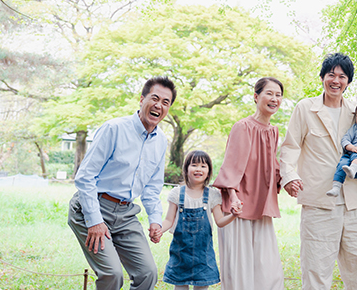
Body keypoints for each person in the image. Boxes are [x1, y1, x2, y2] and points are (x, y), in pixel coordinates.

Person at [279, 52, 357, 290]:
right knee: (316, 271)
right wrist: (289, 176)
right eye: (331, 75)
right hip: (319, 202)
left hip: (354, 203)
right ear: (322, 77)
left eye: (342, 76)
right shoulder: (305, 108)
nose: (336, 80)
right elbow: (290, 147)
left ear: (348, 82)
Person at [67, 76, 176, 290]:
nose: (158, 105)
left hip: (125, 214)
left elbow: (152, 188)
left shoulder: (161, 141)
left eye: (165, 102)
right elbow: (86, 176)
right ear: (142, 99)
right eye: (154, 98)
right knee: (112, 274)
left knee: (147, 273)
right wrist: (95, 221)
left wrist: (155, 220)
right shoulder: (114, 129)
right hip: (92, 206)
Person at [211, 76, 286, 290]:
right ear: (256, 96)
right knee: (239, 272)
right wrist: (234, 199)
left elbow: (272, 166)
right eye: (269, 93)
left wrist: (291, 179)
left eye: (278, 95)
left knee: (268, 271)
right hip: (238, 208)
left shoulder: (273, 131)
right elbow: (231, 165)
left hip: (261, 207)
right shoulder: (243, 127)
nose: (274, 99)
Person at [158, 150, 241, 290]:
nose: (198, 169)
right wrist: (158, 229)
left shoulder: (213, 195)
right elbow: (168, 220)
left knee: (202, 287)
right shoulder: (177, 193)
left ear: (208, 172)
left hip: (203, 257)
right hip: (180, 255)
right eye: (194, 165)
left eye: (203, 166)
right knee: (180, 287)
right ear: (186, 169)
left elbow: (219, 222)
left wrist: (233, 215)